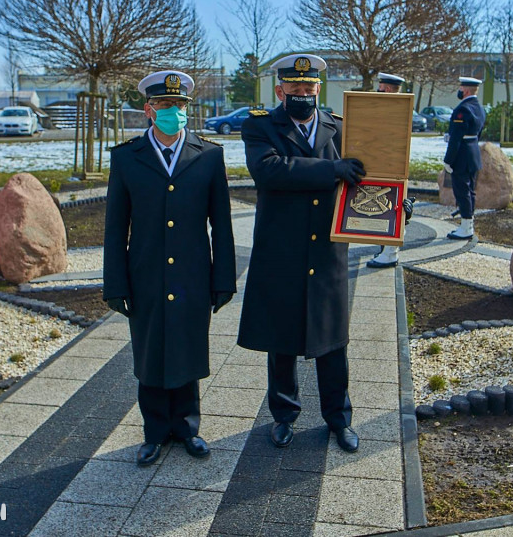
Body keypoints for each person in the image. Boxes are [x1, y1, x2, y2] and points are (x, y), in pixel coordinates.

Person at [103, 70, 236, 466]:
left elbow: (222, 224)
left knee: (188, 346)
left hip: (193, 273)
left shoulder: (208, 155)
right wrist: (115, 283)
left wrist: (223, 278)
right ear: (149, 109)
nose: (173, 111)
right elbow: (115, 227)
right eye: (165, 105)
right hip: (145, 273)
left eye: (179, 105)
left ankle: (188, 428)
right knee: (150, 350)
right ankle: (155, 431)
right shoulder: (126, 157)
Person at [238, 53, 366, 453]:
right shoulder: (260, 126)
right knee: (282, 341)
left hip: (328, 250)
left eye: (309, 87)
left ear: (318, 89)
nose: (303, 93)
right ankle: (283, 416)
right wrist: (331, 170)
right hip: (282, 250)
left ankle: (339, 419)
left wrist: (395, 206)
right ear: (280, 91)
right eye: (294, 87)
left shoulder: (339, 127)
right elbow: (269, 170)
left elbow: (367, 173)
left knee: (333, 341)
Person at [367, 72, 413, 269]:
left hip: (388, 164)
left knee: (391, 208)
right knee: (388, 206)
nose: (378, 90)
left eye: (380, 87)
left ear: (386, 89)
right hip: (390, 163)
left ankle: (390, 253)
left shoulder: (392, 110)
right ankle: (386, 250)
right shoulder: (397, 108)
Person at [444, 76, 486, 240]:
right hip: (473, 153)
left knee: (462, 192)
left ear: (466, 90)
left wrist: (448, 160)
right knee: (470, 191)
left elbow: (455, 139)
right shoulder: (479, 108)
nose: (459, 90)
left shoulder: (462, 110)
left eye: (461, 88)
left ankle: (466, 227)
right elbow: (478, 133)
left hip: (461, 156)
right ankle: (468, 224)